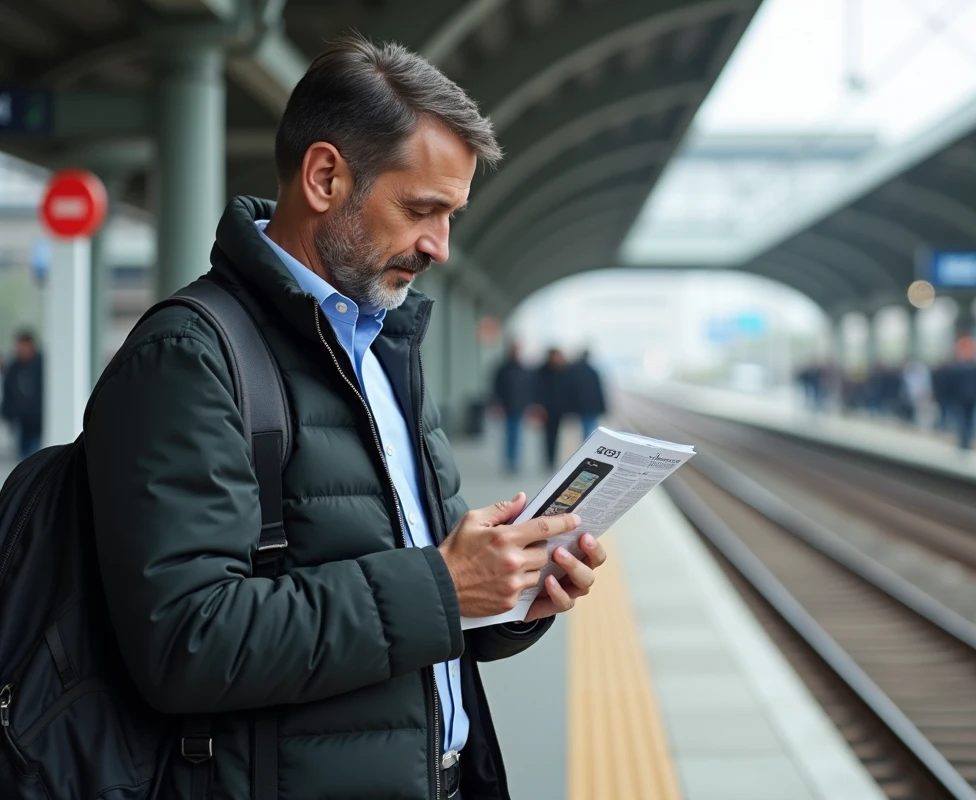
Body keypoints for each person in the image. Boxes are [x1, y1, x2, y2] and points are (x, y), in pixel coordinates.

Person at [83, 34, 607, 800]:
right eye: (422, 209)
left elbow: (433, 601)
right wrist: (444, 585)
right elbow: (186, 642)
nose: (440, 246)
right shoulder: (189, 357)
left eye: (452, 215)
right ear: (325, 176)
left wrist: (514, 594)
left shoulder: (387, 349)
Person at [491, 342, 534, 474]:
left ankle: (515, 460)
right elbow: (496, 388)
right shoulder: (503, 369)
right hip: (507, 406)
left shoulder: (523, 369)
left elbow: (528, 389)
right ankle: (510, 460)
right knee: (510, 434)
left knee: (517, 434)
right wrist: (497, 404)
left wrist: (529, 404)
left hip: (520, 406)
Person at [1, 330, 43, 460]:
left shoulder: (42, 366)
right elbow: (8, 392)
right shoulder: (14, 368)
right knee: (24, 457)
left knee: (36, 456)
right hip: (21, 422)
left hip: (39, 420)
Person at [536, 348, 572, 469]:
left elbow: (568, 390)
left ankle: (554, 459)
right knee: (548, 435)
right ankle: (549, 460)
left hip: (559, 408)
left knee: (557, 435)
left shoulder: (564, 371)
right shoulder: (542, 371)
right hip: (546, 409)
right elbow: (538, 390)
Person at [949, 336, 976, 450]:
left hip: (967, 398)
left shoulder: (958, 368)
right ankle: (965, 440)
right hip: (967, 398)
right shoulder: (975, 368)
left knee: (966, 420)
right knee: (967, 420)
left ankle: (965, 440)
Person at [569, 348, 606, 439]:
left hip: (582, 406)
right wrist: (602, 408)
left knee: (586, 427)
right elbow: (598, 391)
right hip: (592, 405)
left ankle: (587, 443)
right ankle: (590, 443)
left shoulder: (575, 371)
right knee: (591, 427)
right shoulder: (593, 371)